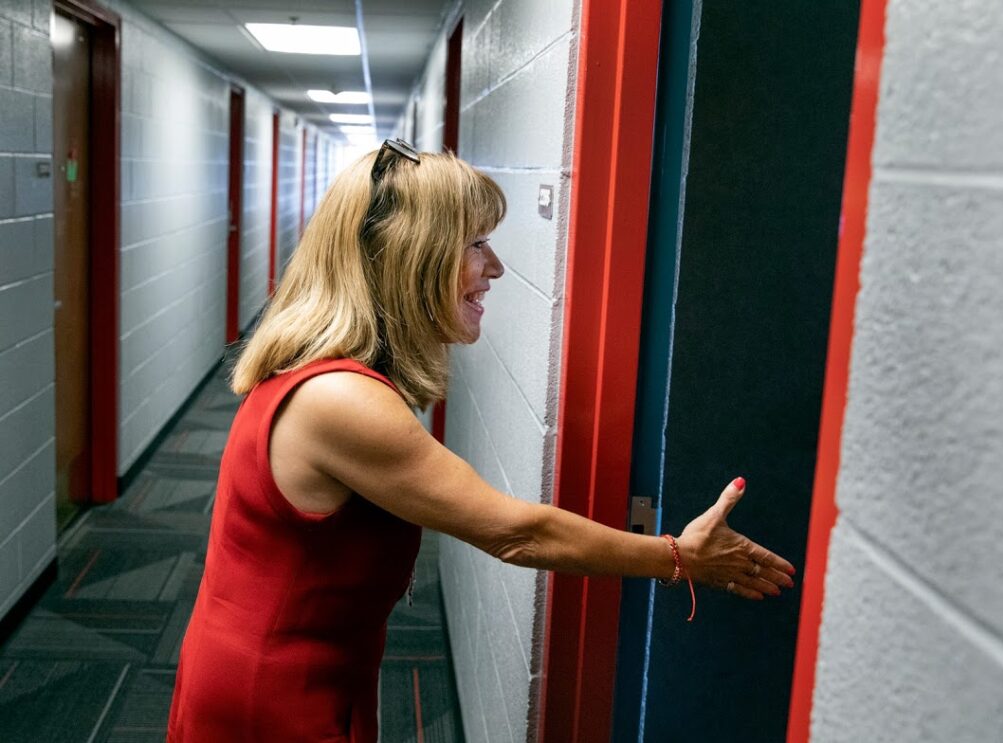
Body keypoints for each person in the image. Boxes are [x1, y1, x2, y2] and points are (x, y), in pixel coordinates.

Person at [166, 140, 796, 742]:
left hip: (293, 667)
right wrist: (679, 556)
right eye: (475, 244)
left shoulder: (322, 372)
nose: (494, 268)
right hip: (269, 696)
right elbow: (517, 534)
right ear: (408, 257)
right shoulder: (341, 401)